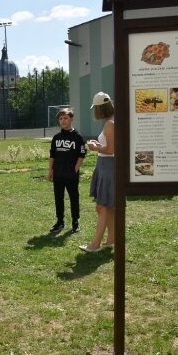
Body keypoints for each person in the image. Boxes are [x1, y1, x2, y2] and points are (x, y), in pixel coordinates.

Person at [79, 92, 115, 253]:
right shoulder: (110, 122)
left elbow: (110, 149)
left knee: (101, 206)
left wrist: (95, 147)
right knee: (108, 206)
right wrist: (98, 145)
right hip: (105, 165)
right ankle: (111, 239)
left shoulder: (110, 124)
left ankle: (95, 244)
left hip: (108, 166)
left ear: (100, 108)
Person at [48, 107, 86, 234]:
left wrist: (75, 169)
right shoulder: (56, 137)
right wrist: (50, 170)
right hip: (58, 173)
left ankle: (75, 222)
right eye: (60, 119)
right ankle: (60, 222)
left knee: (74, 198)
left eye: (65, 118)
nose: (63, 121)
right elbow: (52, 155)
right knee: (58, 198)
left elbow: (81, 156)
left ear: (71, 119)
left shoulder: (78, 137)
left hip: (71, 174)